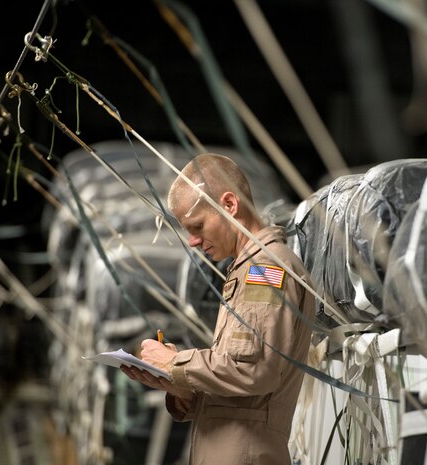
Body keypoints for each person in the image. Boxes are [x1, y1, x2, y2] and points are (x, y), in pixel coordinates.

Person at [121, 153, 315, 465]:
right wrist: (182, 388)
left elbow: (253, 371)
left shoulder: (264, 269)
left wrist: (177, 362)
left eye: (197, 226)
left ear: (229, 204)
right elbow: (241, 393)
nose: (193, 241)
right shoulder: (247, 268)